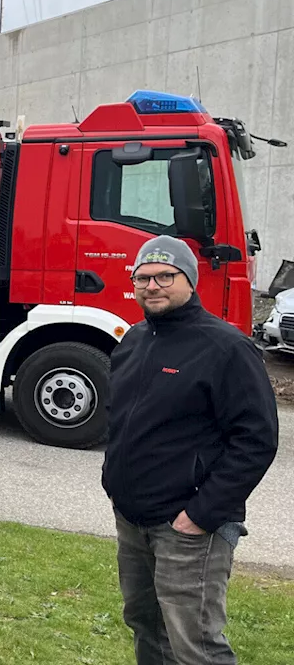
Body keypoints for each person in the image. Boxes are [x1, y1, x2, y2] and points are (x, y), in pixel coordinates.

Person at [103, 235, 279, 665]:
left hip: (188, 528)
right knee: (145, 624)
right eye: (142, 277)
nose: (153, 285)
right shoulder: (134, 341)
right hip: (132, 519)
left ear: (190, 280)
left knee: (196, 645)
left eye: (166, 275)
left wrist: (202, 514)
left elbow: (256, 441)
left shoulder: (227, 348)